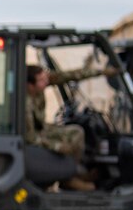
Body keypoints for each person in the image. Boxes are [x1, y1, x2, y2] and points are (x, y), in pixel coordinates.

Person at [24, 63, 115, 191]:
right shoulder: (25, 104)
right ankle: (68, 178)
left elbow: (70, 75)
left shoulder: (40, 84)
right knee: (70, 139)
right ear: (30, 85)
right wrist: (56, 146)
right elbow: (30, 137)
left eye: (45, 78)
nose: (46, 81)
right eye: (41, 80)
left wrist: (101, 72)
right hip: (33, 137)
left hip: (42, 129)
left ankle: (73, 173)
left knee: (76, 133)